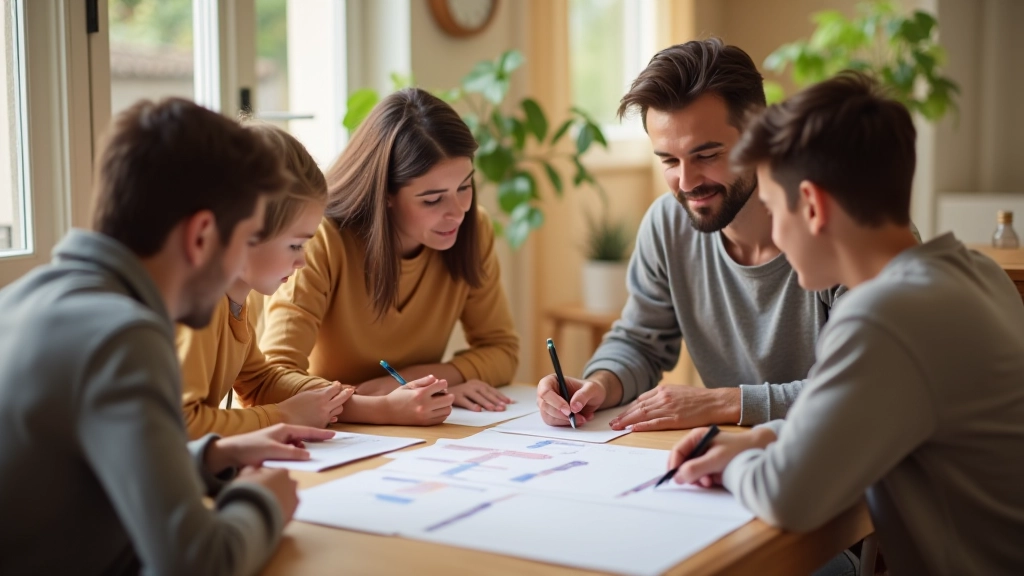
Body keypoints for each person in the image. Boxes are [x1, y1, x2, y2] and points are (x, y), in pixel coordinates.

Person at [668, 72, 1024, 575]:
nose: (775, 237)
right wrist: (763, 437)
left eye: (772, 209)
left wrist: (733, 462)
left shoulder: (886, 318)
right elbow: (848, 416)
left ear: (812, 206)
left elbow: (786, 496)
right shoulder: (976, 273)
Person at [0, 98, 330, 574]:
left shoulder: (27, 298)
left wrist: (207, 456)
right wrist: (263, 504)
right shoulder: (122, 337)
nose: (240, 265)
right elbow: (198, 563)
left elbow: (81, 478)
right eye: (243, 241)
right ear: (200, 237)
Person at [536, 38, 843, 431]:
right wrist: (598, 384)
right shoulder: (668, 224)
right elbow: (641, 342)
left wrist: (723, 402)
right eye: (668, 160)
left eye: (707, 155)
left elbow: (864, 388)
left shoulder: (843, 228)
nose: (686, 182)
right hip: (729, 459)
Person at [261, 88, 519, 419]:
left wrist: (418, 384)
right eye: (432, 199)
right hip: (327, 433)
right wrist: (380, 405)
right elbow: (273, 378)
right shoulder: (320, 238)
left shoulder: (473, 228)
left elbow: (502, 351)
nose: (458, 212)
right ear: (384, 194)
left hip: (401, 429)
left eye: (464, 187)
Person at [177, 121, 355, 439]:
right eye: (295, 245)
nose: (301, 260)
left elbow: (260, 382)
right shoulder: (197, 304)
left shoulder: (233, 298)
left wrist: (361, 402)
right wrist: (283, 416)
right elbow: (183, 425)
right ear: (243, 231)